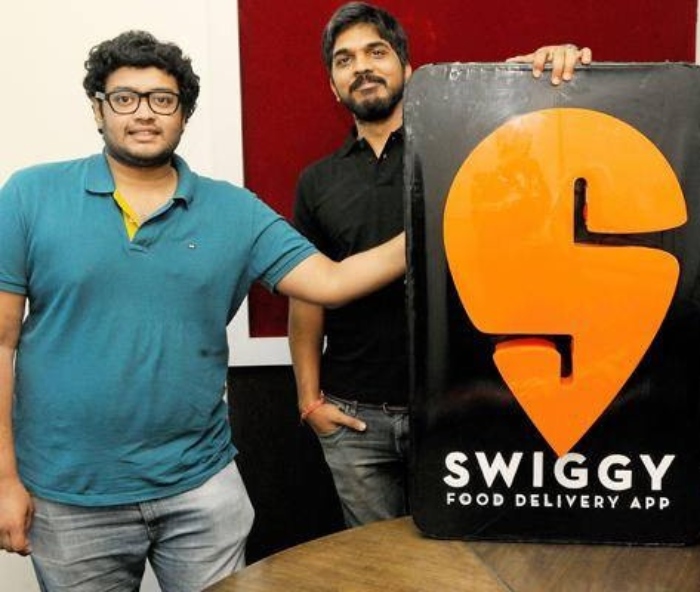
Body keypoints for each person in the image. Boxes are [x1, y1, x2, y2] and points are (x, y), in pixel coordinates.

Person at [0, 30, 406, 592]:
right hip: (70, 499)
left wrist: (443, 220)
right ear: (98, 109)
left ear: (184, 114)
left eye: (162, 99)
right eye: (125, 98)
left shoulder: (234, 210)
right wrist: (5, 479)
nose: (144, 113)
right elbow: (2, 343)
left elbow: (331, 283)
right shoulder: (29, 196)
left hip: (201, 490)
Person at [288, 1, 592, 528]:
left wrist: (545, 73)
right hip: (354, 419)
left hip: (458, 408)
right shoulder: (316, 182)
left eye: (376, 52)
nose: (361, 67)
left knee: (463, 560)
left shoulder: (467, 150)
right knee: (373, 564)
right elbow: (306, 295)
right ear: (332, 87)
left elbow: (544, 151)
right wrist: (308, 402)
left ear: (408, 70)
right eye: (344, 59)